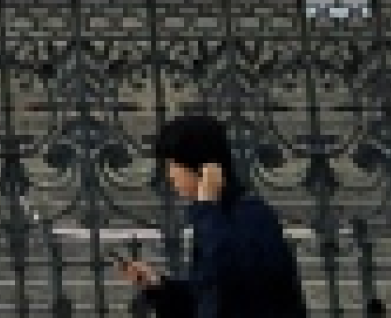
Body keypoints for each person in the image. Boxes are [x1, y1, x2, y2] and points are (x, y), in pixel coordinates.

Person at [112, 115, 308, 318]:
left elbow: (232, 281)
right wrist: (158, 286)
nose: (170, 175)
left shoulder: (251, 216)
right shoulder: (215, 216)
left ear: (201, 167)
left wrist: (206, 205)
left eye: (172, 164)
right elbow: (209, 298)